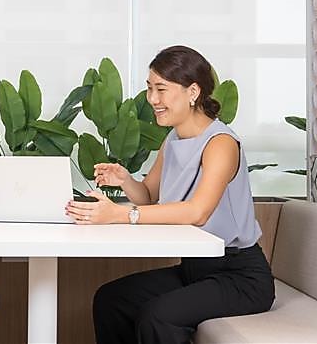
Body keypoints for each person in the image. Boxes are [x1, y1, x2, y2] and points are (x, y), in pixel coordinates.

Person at [65, 45, 275, 344]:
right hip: (195, 268)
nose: (153, 99)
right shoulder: (174, 137)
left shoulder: (221, 143)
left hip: (239, 276)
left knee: (159, 316)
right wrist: (124, 180)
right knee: (112, 300)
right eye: (150, 88)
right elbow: (149, 195)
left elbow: (197, 212)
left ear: (192, 91)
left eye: (161, 89)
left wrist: (119, 214)